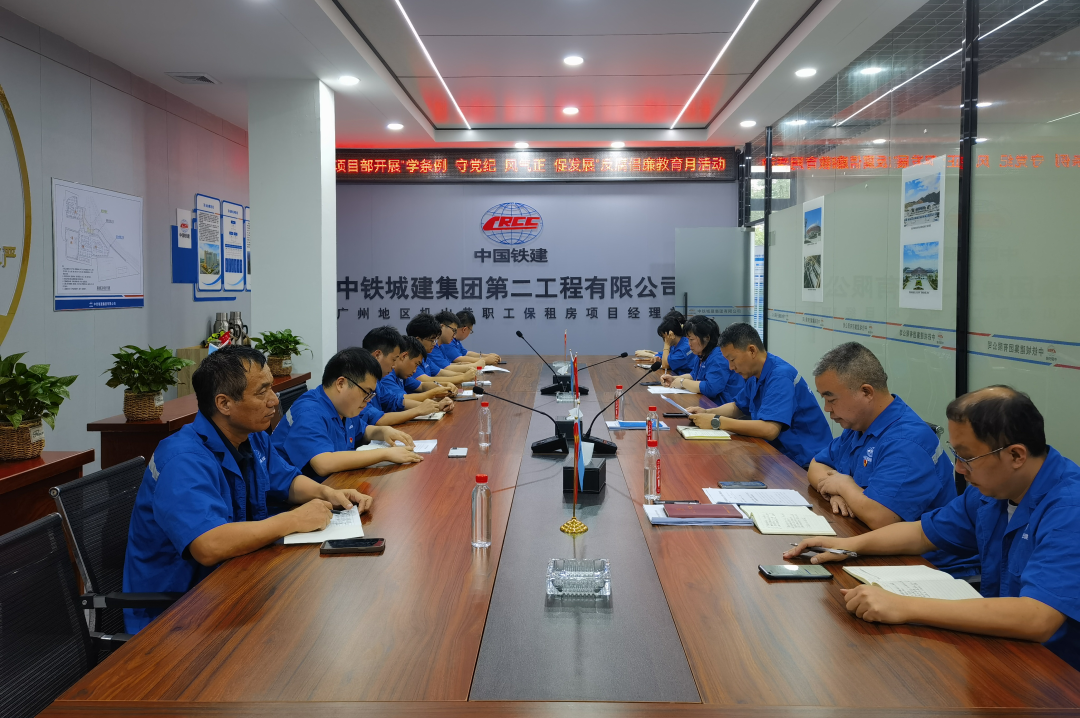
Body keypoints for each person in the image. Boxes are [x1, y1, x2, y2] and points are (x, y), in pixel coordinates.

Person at [786, 387, 1080, 671]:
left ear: (1016, 455)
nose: (959, 469)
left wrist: (904, 607)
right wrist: (849, 546)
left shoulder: (1069, 508)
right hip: (1002, 649)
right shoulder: (993, 492)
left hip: (1057, 674)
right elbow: (922, 533)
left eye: (968, 457)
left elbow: (1038, 618)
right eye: (956, 454)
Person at [123, 346, 372, 633]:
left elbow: (286, 480)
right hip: (176, 615)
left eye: (272, 388)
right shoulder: (183, 459)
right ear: (224, 403)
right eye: (262, 392)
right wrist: (293, 519)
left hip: (233, 584)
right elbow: (208, 545)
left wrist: (328, 494)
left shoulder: (251, 437)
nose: (274, 400)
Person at [807, 342, 977, 577]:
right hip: (870, 544)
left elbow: (880, 517)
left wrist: (844, 486)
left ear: (866, 392)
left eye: (831, 399)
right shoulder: (859, 424)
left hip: (925, 567)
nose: (827, 408)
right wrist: (835, 490)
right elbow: (816, 464)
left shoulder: (906, 441)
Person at [685, 322, 831, 468]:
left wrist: (716, 421)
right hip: (777, 455)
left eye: (732, 360)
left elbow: (769, 429)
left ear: (752, 351)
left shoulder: (780, 376)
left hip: (804, 462)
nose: (731, 367)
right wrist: (708, 412)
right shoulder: (755, 374)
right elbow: (738, 406)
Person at [272, 347, 422, 482]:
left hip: (336, 484)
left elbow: (362, 430)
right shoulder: (309, 412)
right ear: (341, 384)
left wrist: (383, 431)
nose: (368, 400)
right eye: (366, 392)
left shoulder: (343, 407)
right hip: (295, 499)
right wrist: (385, 454)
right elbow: (323, 463)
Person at [361, 325, 453, 426]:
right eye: (393, 359)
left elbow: (396, 401)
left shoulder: (376, 381)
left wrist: (436, 406)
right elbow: (377, 419)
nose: (394, 365)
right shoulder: (359, 381)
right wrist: (418, 410)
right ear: (377, 355)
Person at [660, 314, 745, 405]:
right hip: (706, 403)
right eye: (688, 339)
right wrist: (674, 379)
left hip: (721, 406)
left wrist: (682, 382)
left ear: (707, 338)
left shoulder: (719, 356)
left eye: (691, 339)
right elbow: (694, 375)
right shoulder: (701, 354)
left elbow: (711, 388)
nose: (689, 344)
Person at [378, 337, 456, 418]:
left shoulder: (401, 375)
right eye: (416, 364)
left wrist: (445, 386)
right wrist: (433, 394)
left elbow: (421, 386)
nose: (415, 371)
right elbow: (402, 399)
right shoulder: (386, 375)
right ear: (403, 356)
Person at [406, 313, 475, 385]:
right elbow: (425, 381)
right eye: (432, 340)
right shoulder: (410, 358)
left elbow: (440, 372)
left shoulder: (425, 357)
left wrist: (464, 375)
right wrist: (463, 377)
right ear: (418, 340)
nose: (434, 344)